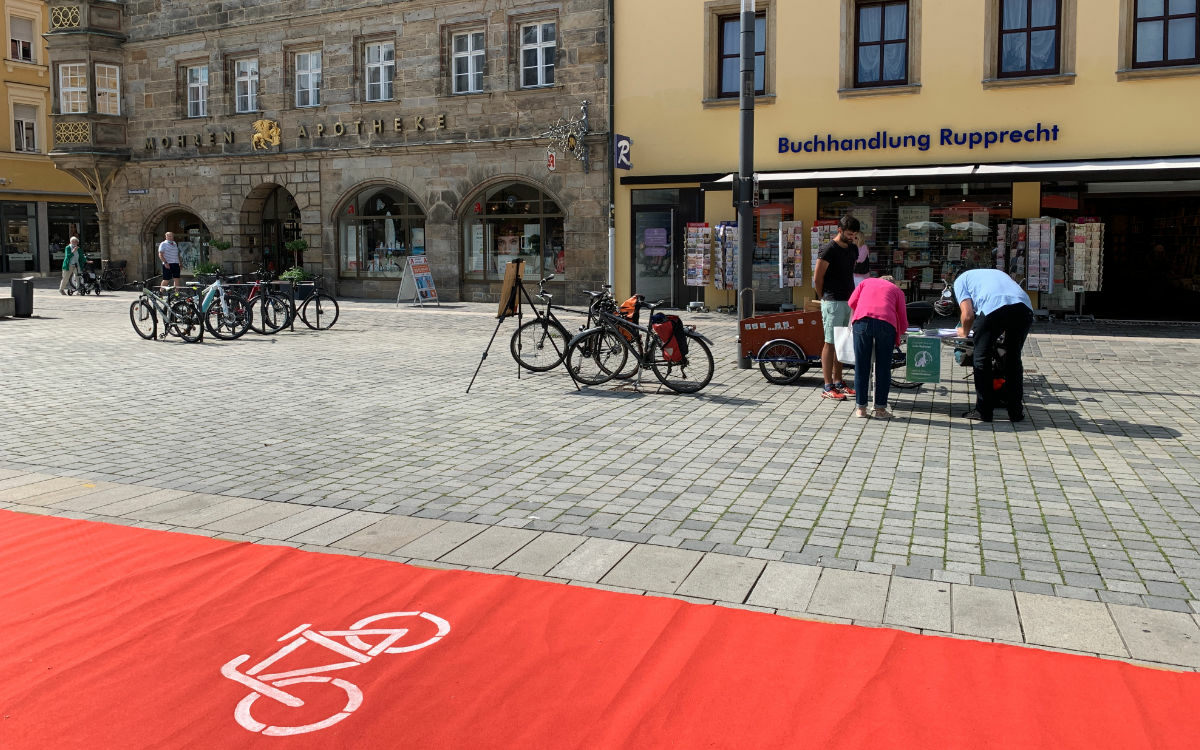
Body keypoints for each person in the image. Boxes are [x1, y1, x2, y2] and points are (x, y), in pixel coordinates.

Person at [952, 268, 1034, 423]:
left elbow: (968, 314)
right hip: (1024, 308)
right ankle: (1015, 412)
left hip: (994, 307)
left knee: (981, 358)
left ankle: (983, 411)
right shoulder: (996, 273)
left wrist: (963, 331)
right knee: (1012, 359)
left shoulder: (960, 281)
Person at [813, 215, 860, 400]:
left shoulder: (853, 249)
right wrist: (823, 297)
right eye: (849, 234)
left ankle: (839, 381)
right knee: (830, 342)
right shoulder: (829, 249)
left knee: (842, 342)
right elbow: (818, 278)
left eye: (854, 234)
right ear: (839, 230)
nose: (852, 237)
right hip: (832, 301)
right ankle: (827, 385)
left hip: (849, 300)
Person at [848, 275, 908, 419]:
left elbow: (851, 302)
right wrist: (901, 332)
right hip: (886, 324)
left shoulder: (866, 282)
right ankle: (880, 410)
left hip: (862, 322)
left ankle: (861, 409)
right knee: (883, 367)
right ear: (892, 283)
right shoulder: (897, 291)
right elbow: (903, 317)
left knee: (862, 366)